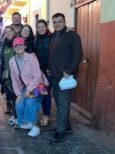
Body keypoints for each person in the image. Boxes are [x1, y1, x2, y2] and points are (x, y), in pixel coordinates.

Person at [48, 13, 83, 144]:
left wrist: (69, 71)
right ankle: (66, 126)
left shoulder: (72, 36)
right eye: (55, 22)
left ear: (64, 21)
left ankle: (60, 131)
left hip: (66, 77)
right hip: (55, 76)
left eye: (59, 21)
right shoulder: (53, 37)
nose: (57, 24)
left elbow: (78, 54)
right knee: (58, 102)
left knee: (63, 103)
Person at [9, 37, 48, 137]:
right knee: (19, 103)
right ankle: (25, 123)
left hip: (39, 85)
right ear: (13, 48)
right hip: (26, 87)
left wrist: (29, 90)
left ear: (25, 46)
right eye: (16, 46)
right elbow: (14, 79)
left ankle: (35, 127)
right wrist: (18, 94)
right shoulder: (12, 61)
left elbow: (38, 75)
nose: (18, 47)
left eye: (20, 45)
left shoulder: (32, 58)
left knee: (31, 102)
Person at [34, 19, 52, 127]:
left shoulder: (52, 38)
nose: (40, 28)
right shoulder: (36, 40)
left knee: (45, 93)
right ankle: (40, 113)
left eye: (42, 26)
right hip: (39, 72)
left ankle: (46, 115)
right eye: (38, 27)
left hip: (49, 71)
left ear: (46, 27)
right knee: (39, 92)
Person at [2, 26, 17, 125]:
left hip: (17, 74)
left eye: (10, 31)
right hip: (7, 75)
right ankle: (13, 114)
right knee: (10, 96)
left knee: (17, 95)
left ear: (13, 32)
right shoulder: (3, 44)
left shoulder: (18, 42)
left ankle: (17, 115)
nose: (8, 33)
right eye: (6, 32)